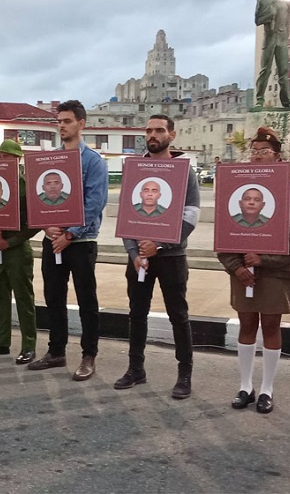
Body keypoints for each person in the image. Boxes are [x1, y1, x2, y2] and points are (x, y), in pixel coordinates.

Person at [217, 126, 290, 414]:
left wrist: (264, 259)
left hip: (274, 272)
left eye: (264, 151)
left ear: (277, 156)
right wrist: (235, 266)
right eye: (253, 151)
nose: (257, 156)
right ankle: (245, 386)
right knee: (246, 325)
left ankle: (267, 388)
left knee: (270, 326)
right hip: (242, 270)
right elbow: (224, 231)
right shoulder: (234, 186)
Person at [113, 114, 199, 398]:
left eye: (159, 130)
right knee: (137, 314)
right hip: (138, 258)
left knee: (179, 316)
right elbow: (127, 214)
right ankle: (135, 369)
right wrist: (133, 252)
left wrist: (159, 245)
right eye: (148, 129)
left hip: (172, 257)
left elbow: (191, 215)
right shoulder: (134, 168)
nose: (153, 134)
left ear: (171, 135)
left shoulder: (184, 171)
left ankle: (184, 375)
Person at [27, 100, 108, 380]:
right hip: (52, 239)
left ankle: (89, 356)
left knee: (87, 300)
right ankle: (56, 351)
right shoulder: (50, 161)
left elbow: (95, 202)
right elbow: (38, 199)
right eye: (59, 121)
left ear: (81, 124)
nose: (62, 126)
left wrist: (71, 233)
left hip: (81, 242)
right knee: (53, 297)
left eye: (67, 121)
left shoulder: (93, 161)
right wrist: (47, 228)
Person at [0, 140, 39, 364]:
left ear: (17, 159)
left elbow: (35, 222)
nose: (2, 161)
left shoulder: (25, 185)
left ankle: (29, 345)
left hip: (17, 250)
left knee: (23, 298)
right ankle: (0, 341)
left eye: (6, 157)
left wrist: (10, 241)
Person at [254, 0, 290, 109]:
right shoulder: (264, 0)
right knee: (265, 71)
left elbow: (288, 22)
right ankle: (259, 100)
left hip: (281, 40)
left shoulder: (286, 3)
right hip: (270, 39)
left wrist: (285, 37)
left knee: (284, 72)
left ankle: (287, 101)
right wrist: (269, 15)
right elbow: (258, 20)